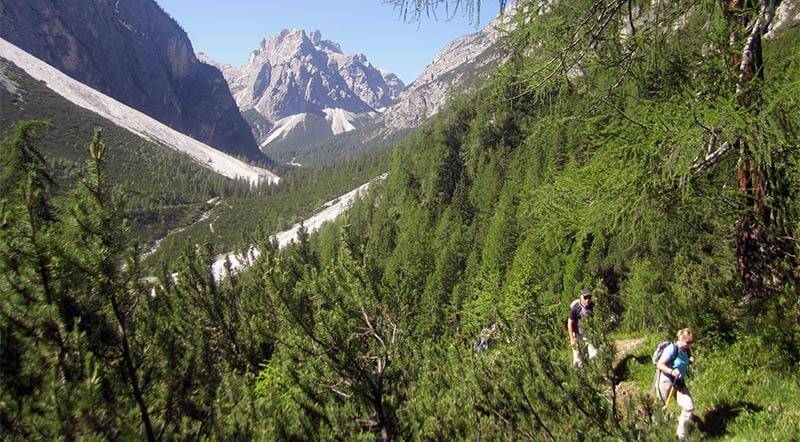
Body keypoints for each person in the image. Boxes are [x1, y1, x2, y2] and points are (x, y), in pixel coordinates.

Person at [655, 328, 696, 441]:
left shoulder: (686, 350)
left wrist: (690, 360)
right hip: (666, 381)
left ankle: (680, 437)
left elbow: (682, 361)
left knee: (689, 407)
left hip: (679, 383)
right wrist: (672, 371)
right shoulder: (672, 348)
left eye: (691, 342)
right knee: (660, 410)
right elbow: (660, 365)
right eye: (688, 342)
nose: (689, 345)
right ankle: (655, 434)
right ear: (681, 338)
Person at [567, 289, 598, 368]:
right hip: (577, 334)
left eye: (589, 298)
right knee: (577, 356)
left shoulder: (593, 306)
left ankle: (596, 371)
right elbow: (570, 323)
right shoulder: (575, 309)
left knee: (594, 353)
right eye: (585, 298)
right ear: (581, 297)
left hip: (589, 333)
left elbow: (596, 319)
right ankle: (579, 374)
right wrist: (572, 339)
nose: (587, 300)